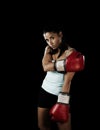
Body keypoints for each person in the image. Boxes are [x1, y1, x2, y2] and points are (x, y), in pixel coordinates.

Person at [37, 22, 85, 130]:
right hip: (44, 91)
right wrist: (64, 65)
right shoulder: (48, 49)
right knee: (42, 126)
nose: (50, 42)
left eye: (52, 38)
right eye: (47, 40)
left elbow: (68, 81)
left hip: (59, 94)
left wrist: (62, 102)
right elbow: (45, 67)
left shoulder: (71, 53)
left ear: (60, 35)